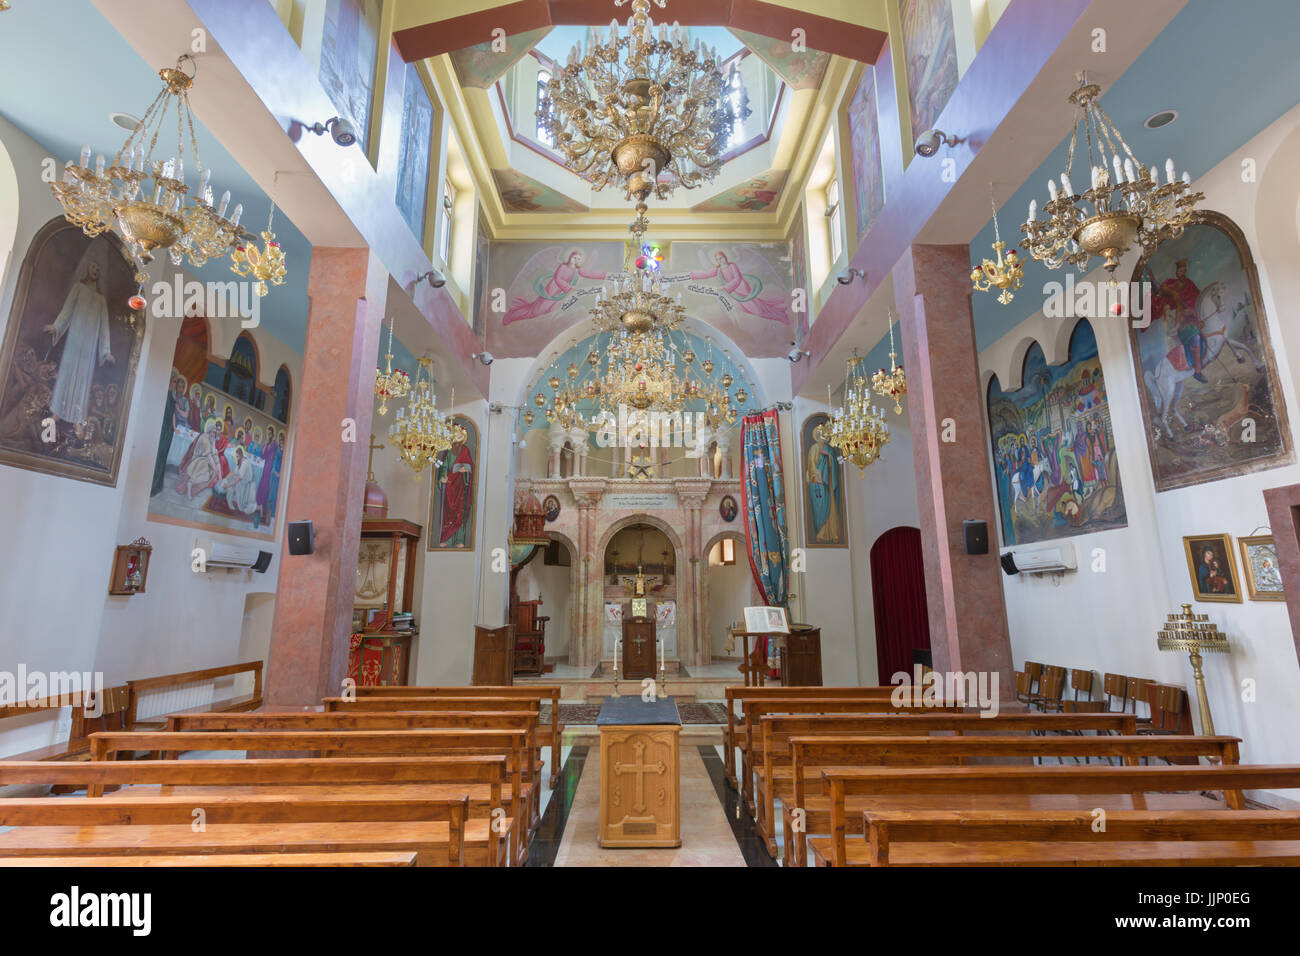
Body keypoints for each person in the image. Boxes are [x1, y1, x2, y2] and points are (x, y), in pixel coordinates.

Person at [44, 239, 116, 424]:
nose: (96, 271)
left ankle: (77, 417)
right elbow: (67, 310)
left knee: (83, 378)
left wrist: (106, 351)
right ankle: (57, 412)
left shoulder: (101, 299)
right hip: (75, 340)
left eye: (99, 269)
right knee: (67, 373)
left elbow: (104, 327)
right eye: (93, 267)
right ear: (87, 268)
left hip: (90, 345)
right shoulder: (78, 288)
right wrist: (56, 326)